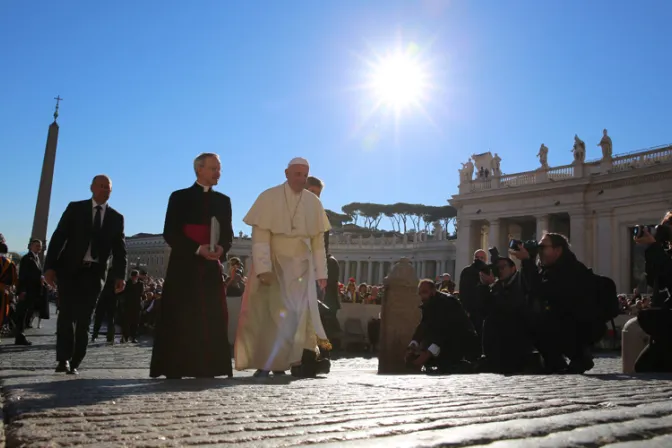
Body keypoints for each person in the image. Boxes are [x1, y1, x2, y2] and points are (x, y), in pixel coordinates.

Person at [235, 157, 331, 378]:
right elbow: (260, 237)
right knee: (271, 316)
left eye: (304, 175)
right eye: (297, 174)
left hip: (302, 268)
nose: (301, 179)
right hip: (275, 264)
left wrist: (321, 273)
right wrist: (263, 267)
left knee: (296, 318)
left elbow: (318, 242)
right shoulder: (268, 197)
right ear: (286, 173)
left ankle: (288, 362)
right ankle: (268, 363)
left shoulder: (313, 203)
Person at [150, 153, 234, 379]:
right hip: (183, 267)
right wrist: (197, 248)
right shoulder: (179, 197)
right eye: (214, 168)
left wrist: (221, 250)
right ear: (199, 170)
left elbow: (228, 236)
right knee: (181, 316)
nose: (218, 173)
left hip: (209, 268)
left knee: (210, 317)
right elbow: (170, 232)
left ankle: (208, 367)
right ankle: (175, 367)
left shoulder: (224, 201)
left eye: (220, 169)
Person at [44, 175, 127, 375]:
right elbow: (58, 237)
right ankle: (63, 358)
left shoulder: (116, 218)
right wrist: (49, 267)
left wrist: (120, 276)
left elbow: (120, 250)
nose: (105, 190)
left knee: (84, 318)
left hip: (95, 273)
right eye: (101, 186)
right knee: (66, 315)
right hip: (70, 270)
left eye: (108, 188)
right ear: (92, 187)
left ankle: (76, 360)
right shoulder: (75, 209)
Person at [405, 279, 478, 374]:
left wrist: (427, 355)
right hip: (445, 341)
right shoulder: (429, 303)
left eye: (424, 292)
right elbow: (424, 325)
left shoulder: (448, 302)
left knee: (447, 367)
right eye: (420, 293)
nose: (422, 296)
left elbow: (446, 331)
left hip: (460, 342)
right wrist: (413, 344)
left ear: (433, 291)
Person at [15, 239, 45, 345]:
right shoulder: (27, 258)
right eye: (37, 246)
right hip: (27, 291)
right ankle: (20, 336)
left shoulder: (36, 258)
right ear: (31, 246)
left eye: (40, 246)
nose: (39, 248)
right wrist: (22, 290)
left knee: (25, 314)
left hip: (33, 291)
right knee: (22, 314)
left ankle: (21, 335)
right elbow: (23, 276)